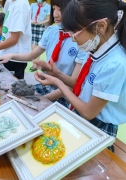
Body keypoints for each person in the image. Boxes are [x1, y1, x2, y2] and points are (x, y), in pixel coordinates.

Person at [34, 0, 126, 152]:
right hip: (80, 116)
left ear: (100, 26)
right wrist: (56, 74)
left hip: (99, 128)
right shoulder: (97, 49)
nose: (72, 38)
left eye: (74, 32)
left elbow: (89, 112)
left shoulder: (114, 63)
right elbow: (79, 85)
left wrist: (59, 84)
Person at [0, 0, 87, 107]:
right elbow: (32, 55)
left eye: (60, 10)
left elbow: (73, 84)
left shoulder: (80, 39)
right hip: (46, 84)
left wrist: (42, 99)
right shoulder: (52, 31)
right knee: (13, 96)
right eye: (54, 9)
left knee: (29, 106)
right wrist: (11, 55)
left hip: (64, 92)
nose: (55, 14)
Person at [0, 0, 32, 80]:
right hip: (8, 57)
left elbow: (14, 39)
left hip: (15, 59)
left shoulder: (20, 6)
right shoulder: (13, 4)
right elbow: (8, 36)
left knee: (11, 88)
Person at [30, 0, 50, 71]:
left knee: (39, 45)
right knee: (33, 44)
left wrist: (39, 23)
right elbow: (29, 16)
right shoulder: (32, 5)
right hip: (32, 25)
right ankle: (35, 64)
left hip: (41, 26)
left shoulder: (48, 7)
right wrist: (31, 21)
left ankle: (36, 63)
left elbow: (48, 19)